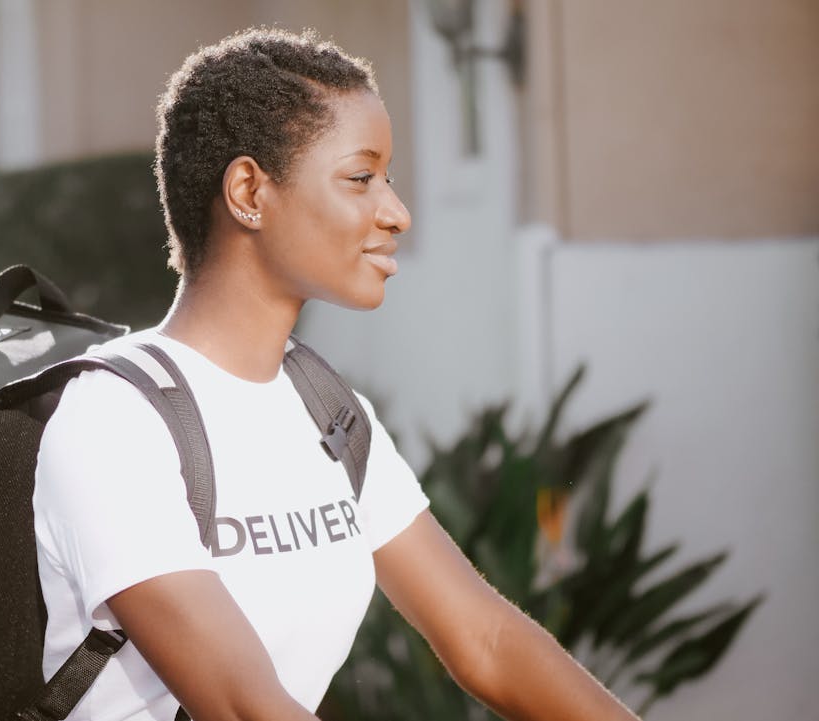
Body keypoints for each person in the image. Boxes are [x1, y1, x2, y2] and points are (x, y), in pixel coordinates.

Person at [32, 27, 641, 721]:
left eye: (389, 179)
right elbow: (242, 704)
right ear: (248, 192)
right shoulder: (113, 418)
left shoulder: (326, 411)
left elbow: (486, 638)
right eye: (361, 178)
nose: (397, 212)